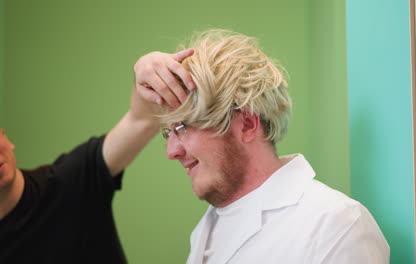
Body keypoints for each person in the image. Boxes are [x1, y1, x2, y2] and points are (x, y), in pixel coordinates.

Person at [141, 29, 390, 264]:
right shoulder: (205, 231)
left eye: (183, 128)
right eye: (169, 133)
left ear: (247, 125)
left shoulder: (336, 226)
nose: (171, 151)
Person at [0, 48, 196, 263]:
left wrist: (148, 73)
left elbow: (142, 120)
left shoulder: (70, 182)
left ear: (5, 137)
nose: (173, 152)